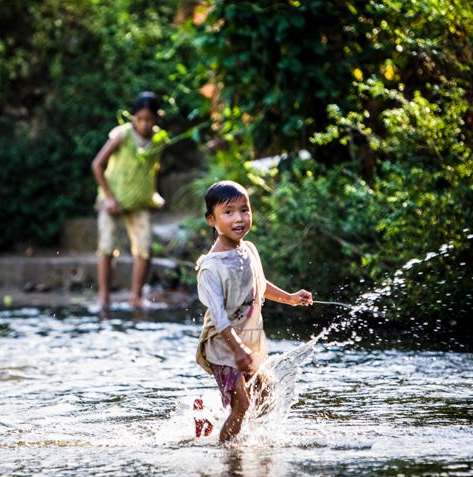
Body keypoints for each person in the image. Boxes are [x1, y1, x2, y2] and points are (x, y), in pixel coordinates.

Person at [195, 180, 313, 443]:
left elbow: (259, 283)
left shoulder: (248, 250)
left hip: (249, 341)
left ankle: (218, 425)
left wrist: (290, 299)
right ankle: (227, 460)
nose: (239, 218)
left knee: (266, 396)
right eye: (228, 212)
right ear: (211, 220)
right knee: (242, 407)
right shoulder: (210, 268)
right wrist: (237, 349)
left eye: (244, 210)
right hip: (224, 347)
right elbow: (218, 316)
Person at [91, 91, 166, 311]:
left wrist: (155, 195)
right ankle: (104, 298)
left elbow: (153, 171)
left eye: (149, 119)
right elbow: (97, 165)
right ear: (133, 117)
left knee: (144, 249)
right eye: (140, 119)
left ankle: (136, 297)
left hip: (140, 202)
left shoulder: (159, 139)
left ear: (156, 119)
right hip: (111, 202)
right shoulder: (122, 136)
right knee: (106, 248)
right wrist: (110, 197)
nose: (144, 124)